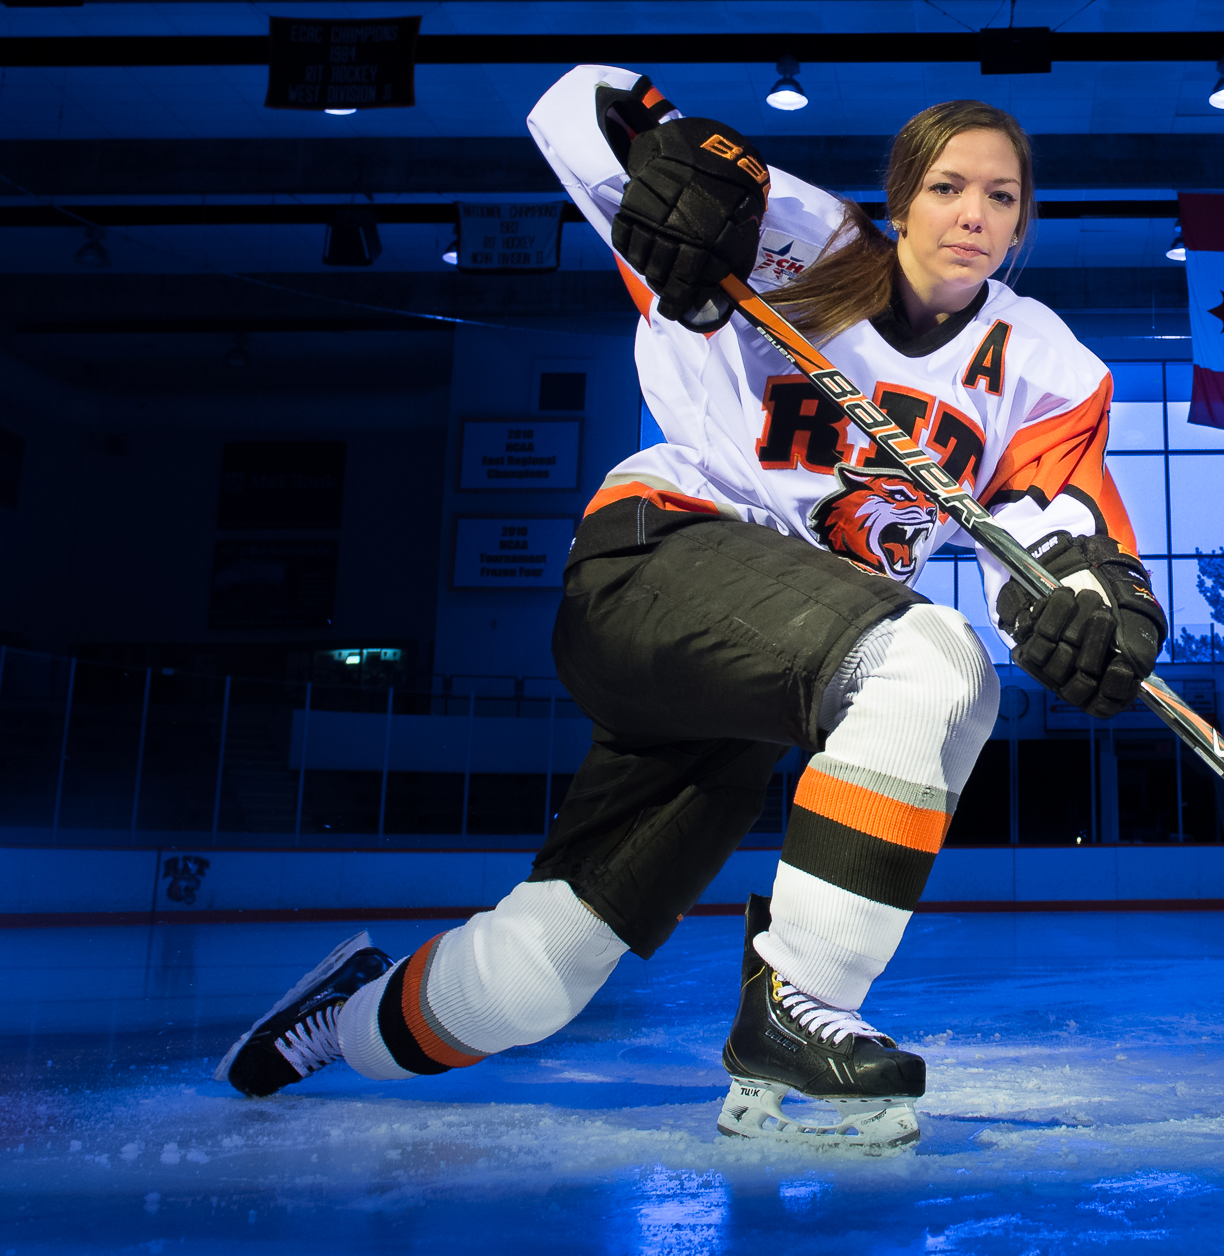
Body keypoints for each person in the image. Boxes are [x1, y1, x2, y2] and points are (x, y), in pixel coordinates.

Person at [213, 65, 1167, 1152]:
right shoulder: (801, 239)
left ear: (1022, 220)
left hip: (774, 656)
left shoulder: (1042, 363)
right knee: (933, 665)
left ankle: (340, 1016)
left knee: (537, 976)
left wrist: (1093, 603)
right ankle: (799, 999)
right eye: (950, 186)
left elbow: (1059, 520)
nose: (974, 214)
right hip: (659, 555)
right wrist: (682, 160)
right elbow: (578, 110)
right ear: (899, 198)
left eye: (1001, 196)